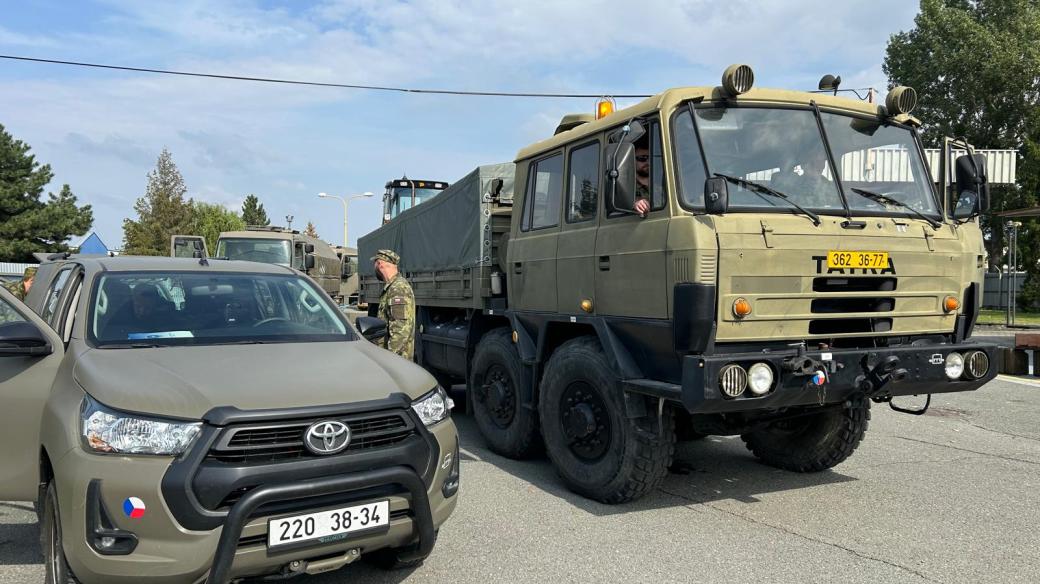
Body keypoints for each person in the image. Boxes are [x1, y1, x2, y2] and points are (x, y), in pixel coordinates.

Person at [371, 249, 415, 360]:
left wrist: (390, 360)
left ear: (380, 264)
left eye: (374, 264)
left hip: (397, 363)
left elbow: (400, 331)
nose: (374, 268)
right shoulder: (392, 287)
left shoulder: (398, 288)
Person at [634, 145, 651, 216]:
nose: (648, 162)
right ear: (632, 160)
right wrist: (635, 204)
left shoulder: (664, 185)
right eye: (642, 158)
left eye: (650, 158)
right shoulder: (626, 186)